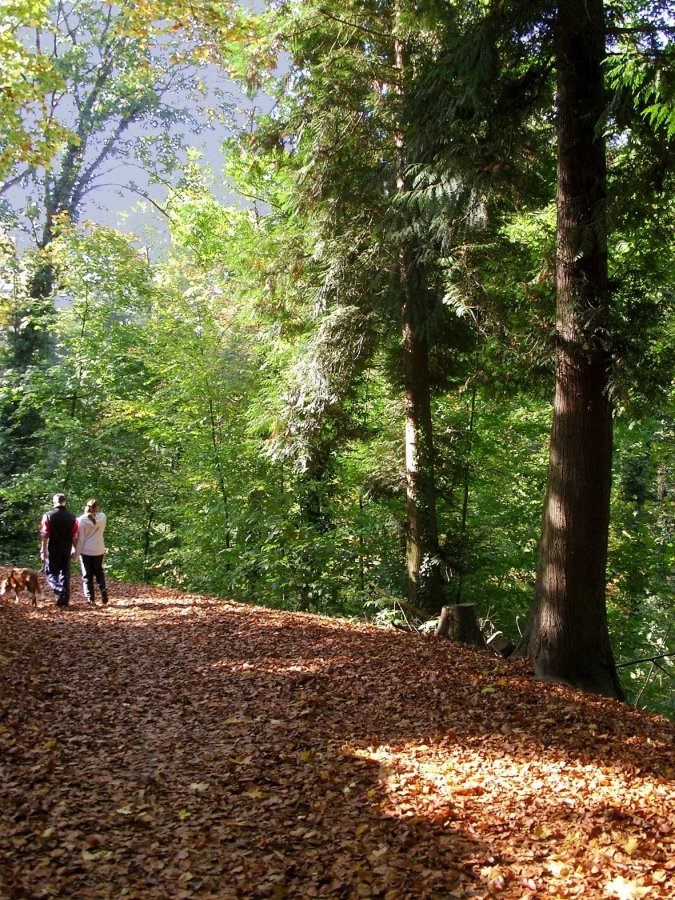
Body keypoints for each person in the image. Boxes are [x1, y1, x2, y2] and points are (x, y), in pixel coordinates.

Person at [40, 494, 78, 608]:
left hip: (53, 547)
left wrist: (43, 550)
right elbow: (74, 535)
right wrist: (75, 548)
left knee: (51, 573)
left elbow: (45, 534)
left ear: (54, 502)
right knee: (65, 573)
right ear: (65, 502)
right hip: (66, 548)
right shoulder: (72, 517)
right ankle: (64, 600)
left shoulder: (48, 515)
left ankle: (58, 589)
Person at [75, 499, 109, 605]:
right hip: (98, 549)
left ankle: (90, 598)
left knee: (87, 575)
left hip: (86, 551)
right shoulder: (103, 517)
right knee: (99, 572)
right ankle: (103, 589)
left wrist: (76, 553)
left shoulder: (81, 520)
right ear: (98, 507)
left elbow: (80, 538)